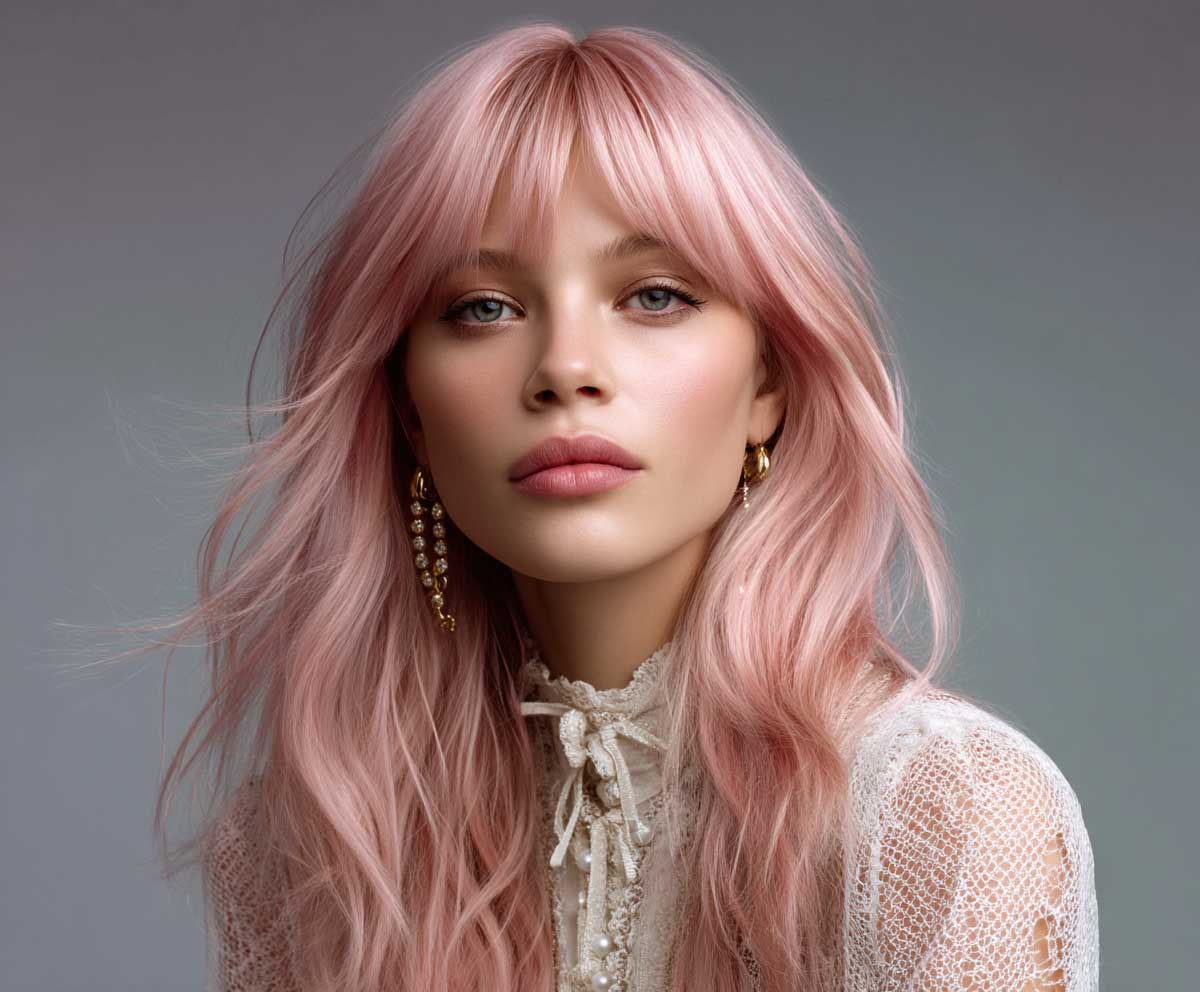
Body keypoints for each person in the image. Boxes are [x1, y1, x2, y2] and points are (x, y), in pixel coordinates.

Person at [153, 22, 1098, 992]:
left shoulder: (943, 811)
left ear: (769, 379)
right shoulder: (310, 842)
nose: (567, 367)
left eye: (653, 295)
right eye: (483, 306)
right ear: (408, 409)